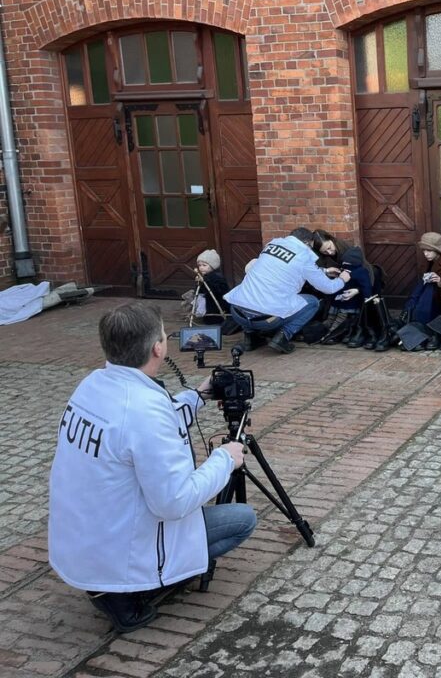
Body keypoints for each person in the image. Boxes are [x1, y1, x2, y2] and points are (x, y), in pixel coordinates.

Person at [48, 302, 256, 633]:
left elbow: (141, 427)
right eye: (164, 335)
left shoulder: (92, 384)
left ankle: (118, 583)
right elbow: (173, 503)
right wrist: (226, 458)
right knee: (242, 519)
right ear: (158, 348)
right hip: (122, 549)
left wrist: (197, 396)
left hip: (85, 539)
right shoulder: (143, 410)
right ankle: (132, 591)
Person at [225, 228, 346, 354]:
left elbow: (285, 267)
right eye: (311, 246)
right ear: (307, 243)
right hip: (266, 320)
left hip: (237, 313)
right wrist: (342, 279)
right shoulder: (304, 256)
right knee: (312, 302)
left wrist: (324, 271)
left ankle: (250, 337)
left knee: (252, 293)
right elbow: (328, 288)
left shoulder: (272, 244)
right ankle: (282, 337)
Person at [400, 231, 441, 331]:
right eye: (424, 250)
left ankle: (417, 321)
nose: (425, 254)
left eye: (429, 250)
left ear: (437, 250)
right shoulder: (428, 261)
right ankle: (407, 313)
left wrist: (440, 282)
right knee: (421, 285)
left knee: (429, 286)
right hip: (428, 300)